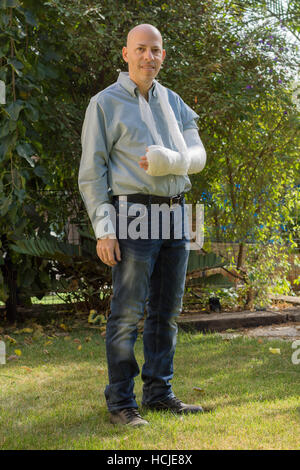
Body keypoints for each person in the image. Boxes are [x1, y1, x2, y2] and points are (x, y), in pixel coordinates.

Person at [78, 24, 207, 426]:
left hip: (176, 212)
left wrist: (173, 162)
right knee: (128, 312)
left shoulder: (174, 101)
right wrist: (104, 228)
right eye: (141, 49)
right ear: (126, 54)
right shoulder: (105, 103)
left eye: (155, 50)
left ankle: (159, 392)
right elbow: (91, 172)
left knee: (167, 311)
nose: (148, 56)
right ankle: (121, 402)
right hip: (132, 211)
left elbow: (194, 153)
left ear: (163, 55)